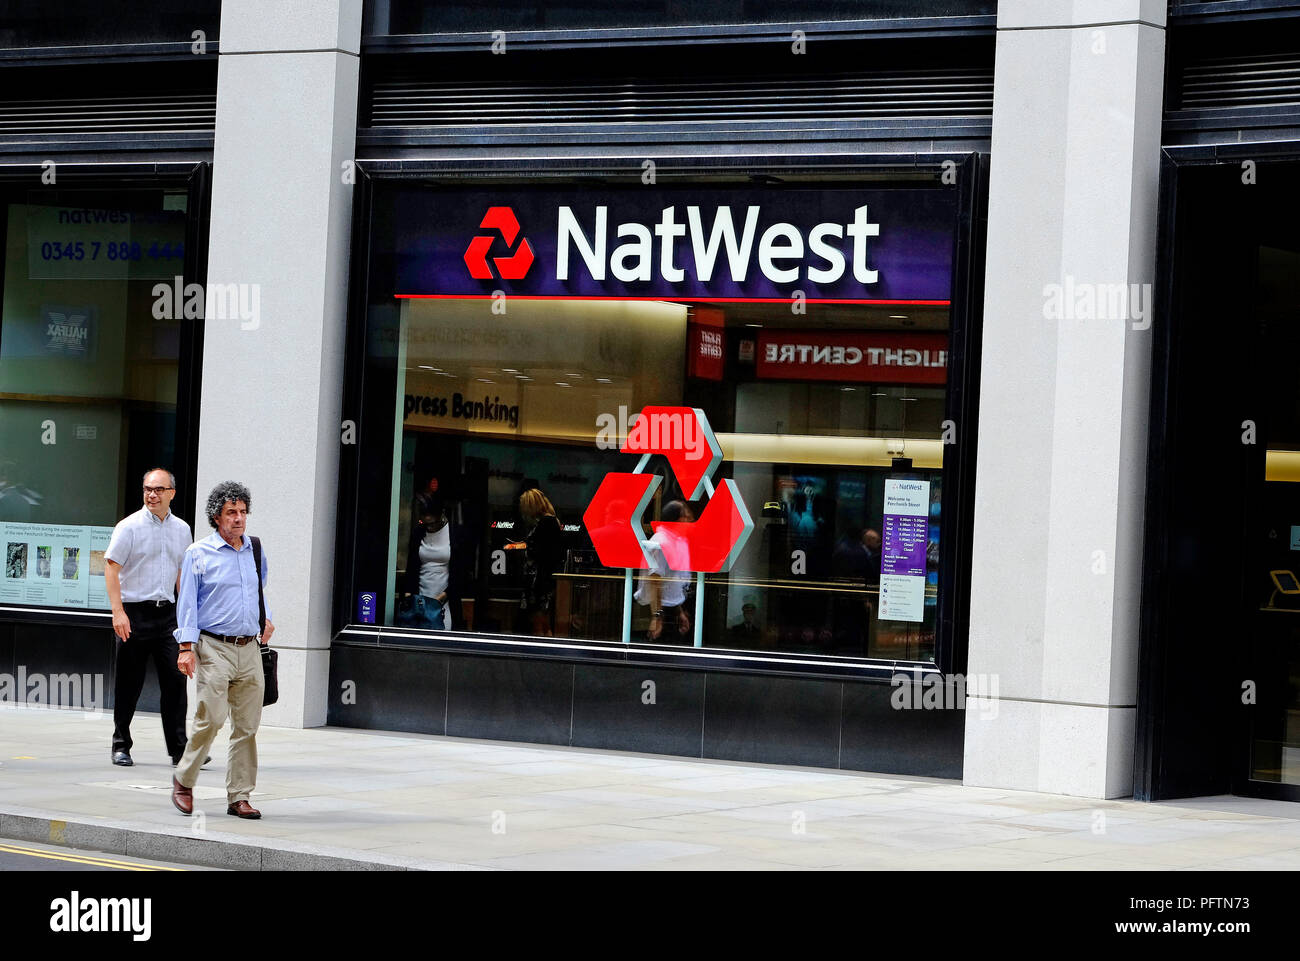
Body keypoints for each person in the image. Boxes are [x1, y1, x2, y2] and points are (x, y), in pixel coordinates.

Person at [170, 481, 274, 821]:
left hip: (250, 648)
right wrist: (186, 648)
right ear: (217, 517)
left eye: (243, 512)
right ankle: (184, 779)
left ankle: (239, 796)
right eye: (232, 512)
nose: (239, 519)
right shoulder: (198, 554)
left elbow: (259, 591)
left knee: (247, 726)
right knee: (211, 718)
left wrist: (266, 617)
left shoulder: (254, 549)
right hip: (213, 647)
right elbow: (186, 604)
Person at [104, 468, 194, 767]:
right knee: (129, 683)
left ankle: (179, 749)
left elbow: (182, 574)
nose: (152, 495)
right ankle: (121, 744)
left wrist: (186, 616)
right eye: (147, 489)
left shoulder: (182, 529)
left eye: (158, 489)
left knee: (175, 681)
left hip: (168, 615)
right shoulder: (128, 527)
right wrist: (118, 612)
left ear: (172, 493)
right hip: (134, 613)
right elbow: (111, 568)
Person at [635, 500, 694, 643]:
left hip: (671, 609)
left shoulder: (679, 541)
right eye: (685, 516)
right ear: (675, 519)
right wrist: (656, 617)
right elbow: (654, 581)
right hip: (657, 609)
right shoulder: (661, 542)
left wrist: (679, 611)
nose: (690, 519)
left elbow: (673, 583)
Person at [401, 490, 455, 630]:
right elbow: (411, 568)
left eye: (433, 523)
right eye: (426, 523)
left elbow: (460, 573)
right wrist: (409, 598)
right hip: (418, 601)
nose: (430, 527)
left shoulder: (454, 534)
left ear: (441, 514)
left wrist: (440, 599)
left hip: (444, 602)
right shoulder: (419, 533)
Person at [516, 488, 563, 636]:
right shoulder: (549, 521)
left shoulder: (546, 523)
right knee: (542, 621)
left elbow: (544, 553)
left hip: (541, 581)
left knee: (540, 622)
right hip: (541, 580)